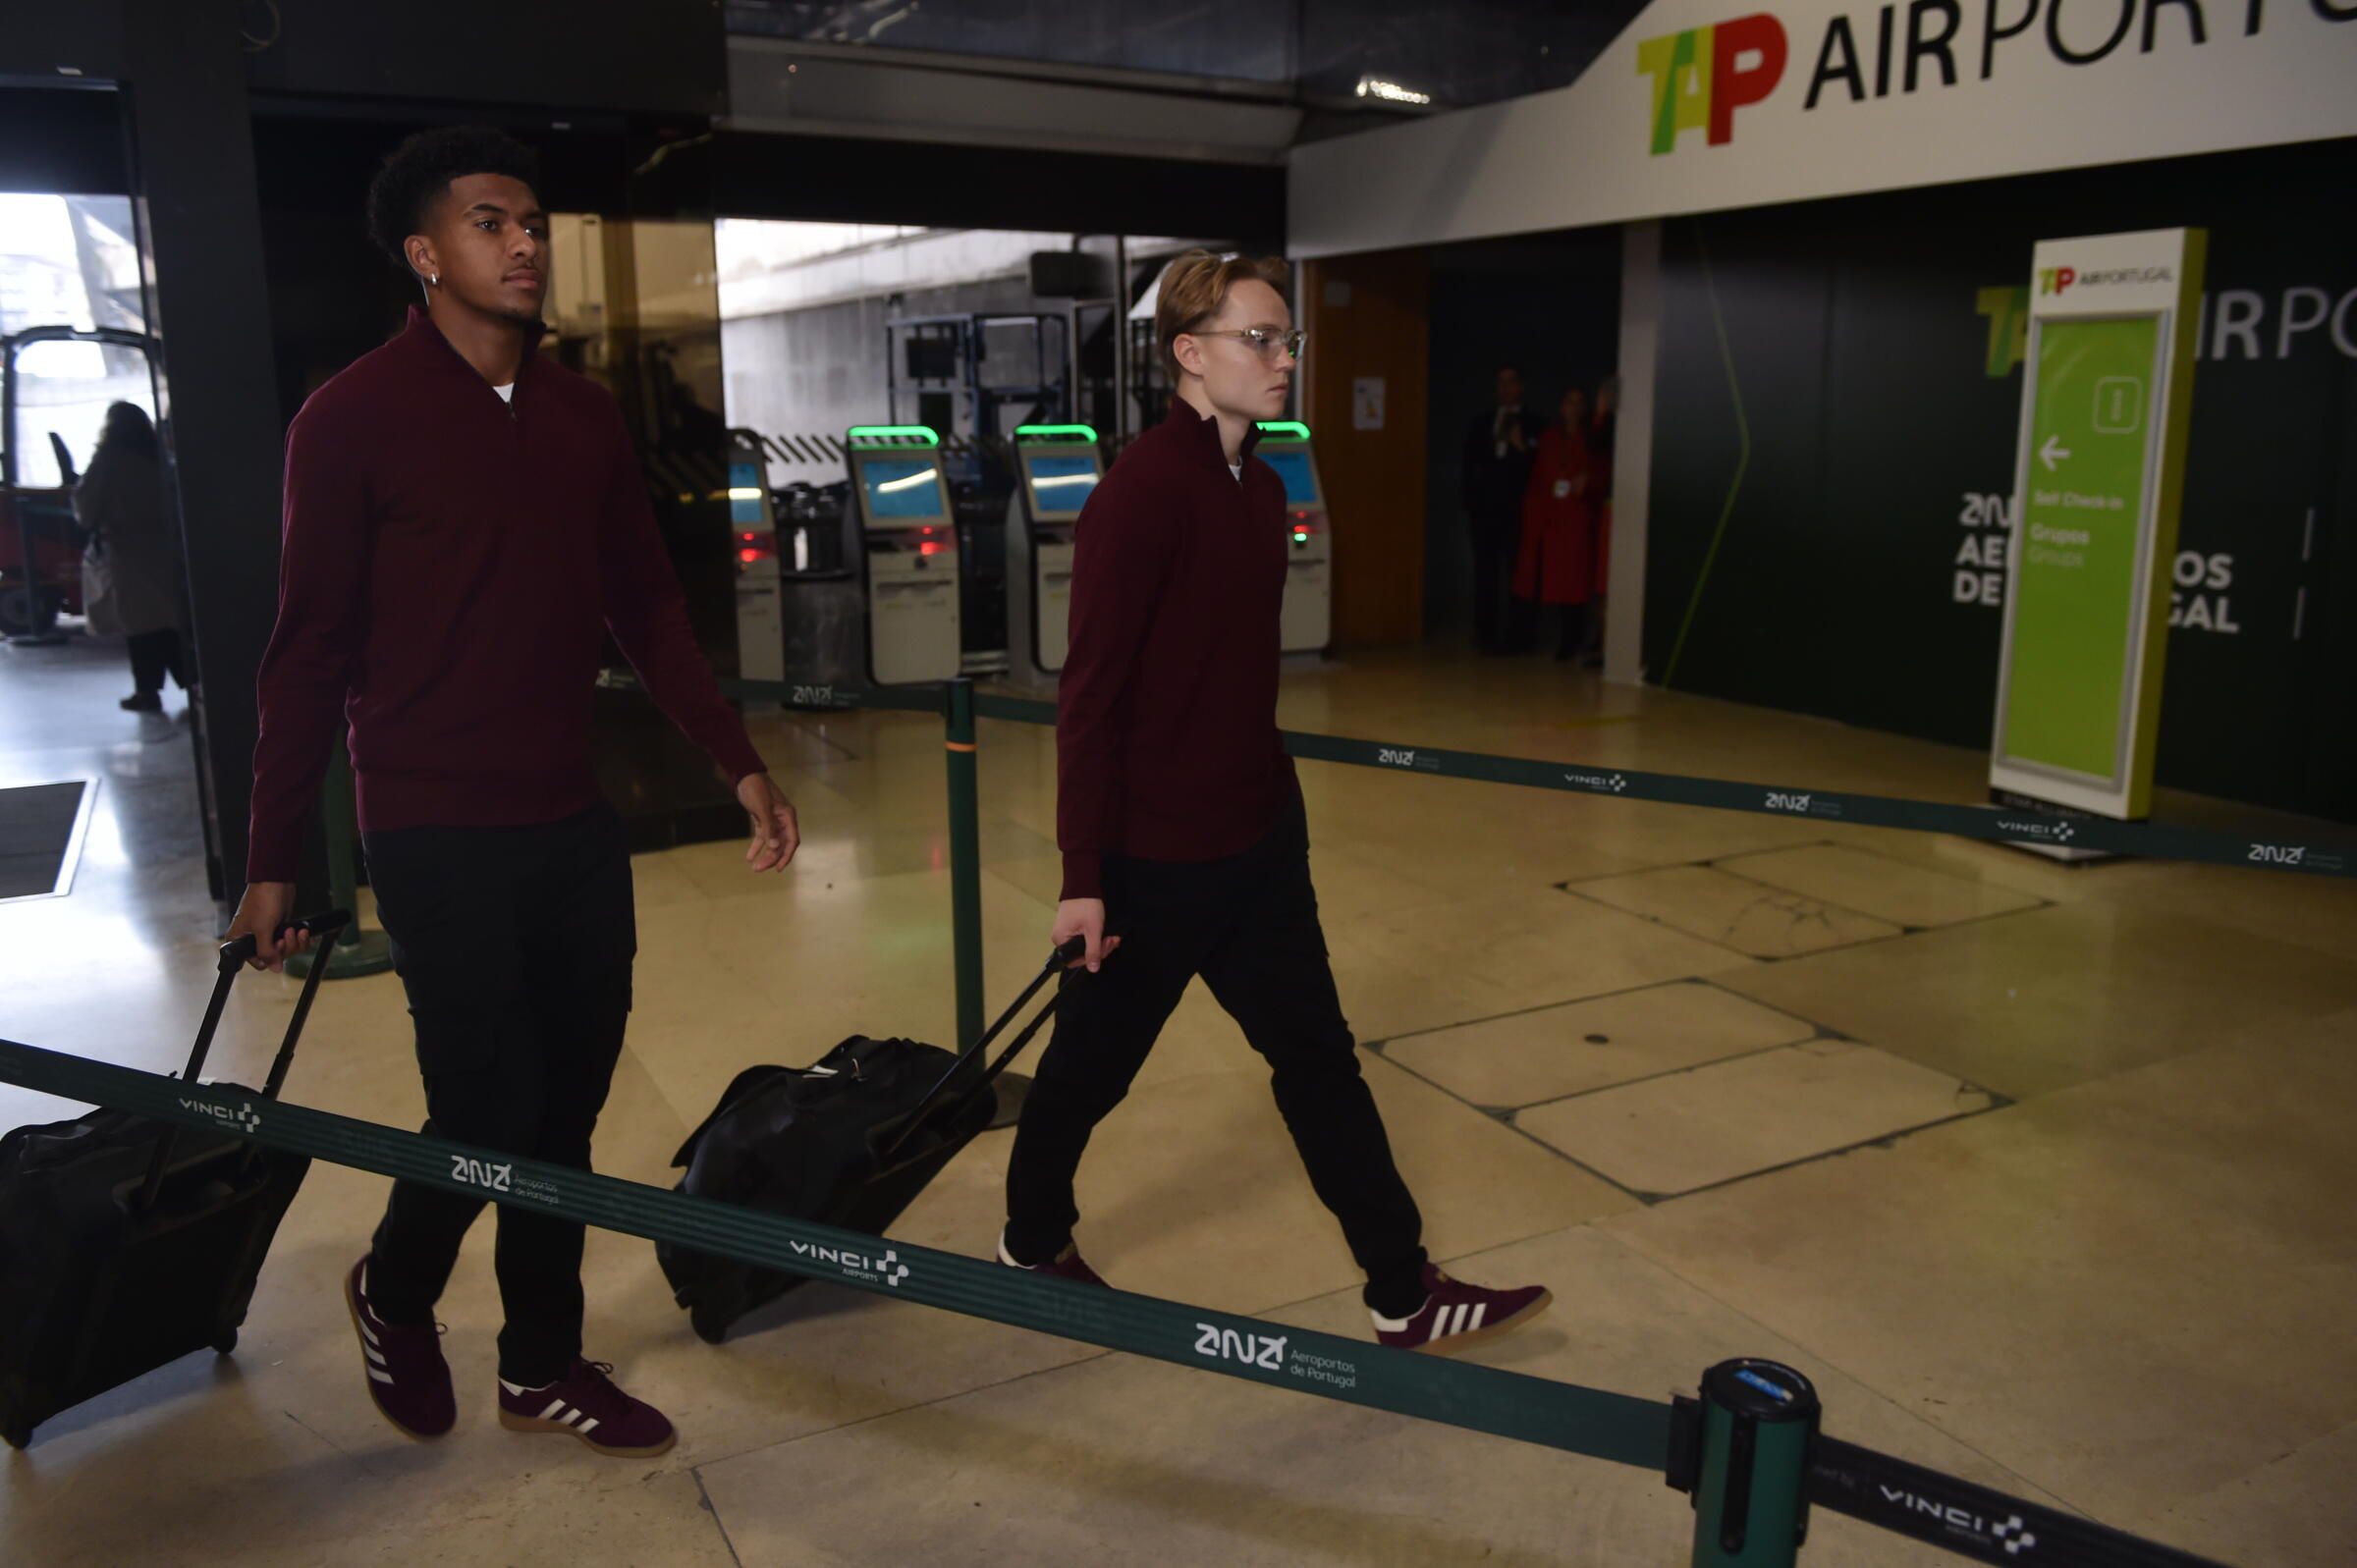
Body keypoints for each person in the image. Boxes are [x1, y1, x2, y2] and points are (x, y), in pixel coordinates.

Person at [227, 127, 802, 1459]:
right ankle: (399, 1282)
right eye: (492, 223)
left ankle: (539, 1359)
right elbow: (306, 645)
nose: (526, 242)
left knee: (567, 1109)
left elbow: (647, 605)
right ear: (425, 255)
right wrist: (273, 854)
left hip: (569, 821)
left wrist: (736, 755)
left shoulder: (583, 415)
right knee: (485, 1102)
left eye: (534, 221)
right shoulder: (352, 417)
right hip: (430, 823)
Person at [998, 250, 1550, 1353]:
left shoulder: (1262, 487)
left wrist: (1273, 814)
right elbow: (1090, 700)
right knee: (1088, 1069)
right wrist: (1083, 881)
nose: (1285, 358)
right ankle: (1028, 1235)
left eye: (1289, 338)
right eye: (1262, 338)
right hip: (1156, 862)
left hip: (1257, 840)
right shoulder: (1138, 496)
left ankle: (1402, 1284)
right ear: (1190, 355)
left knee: (1319, 1060)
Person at [72, 402, 187, 711]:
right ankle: (191, 681)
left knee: (140, 625)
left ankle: (147, 691)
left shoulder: (108, 460)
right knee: (170, 620)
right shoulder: (160, 457)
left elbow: (86, 510)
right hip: (165, 548)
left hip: (127, 551)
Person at [1508, 386, 1600, 661]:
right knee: (1557, 579)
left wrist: (1588, 482)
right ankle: (1563, 639)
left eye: (1578, 402)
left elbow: (1601, 472)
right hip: (1552, 517)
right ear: (1561, 407)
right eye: (1568, 401)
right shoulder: (1549, 438)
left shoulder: (1591, 440)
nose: (1573, 407)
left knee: (1577, 579)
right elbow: (1538, 476)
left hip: (1578, 516)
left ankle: (1575, 638)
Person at [1459, 366, 1537, 654]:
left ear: (1521, 386)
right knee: (1485, 575)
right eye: (1501, 382)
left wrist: (1521, 445)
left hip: (1518, 513)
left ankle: (1520, 636)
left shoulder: (1534, 424)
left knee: (1519, 575)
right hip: (1485, 513)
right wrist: (1471, 505)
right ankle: (1485, 635)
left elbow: (1539, 469)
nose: (1505, 388)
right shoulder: (1481, 423)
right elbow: (1469, 467)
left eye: (1511, 382)